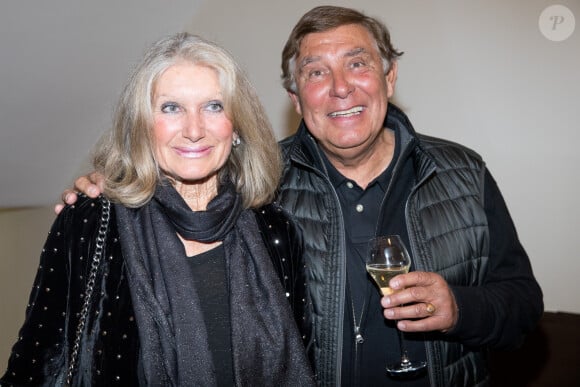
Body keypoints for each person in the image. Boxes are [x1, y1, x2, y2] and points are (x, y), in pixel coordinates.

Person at [55, 6, 544, 387]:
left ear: (389, 76)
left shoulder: (463, 172)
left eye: (357, 64)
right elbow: (178, 184)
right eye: (315, 73)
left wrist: (460, 308)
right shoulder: (256, 186)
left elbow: (524, 308)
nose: (339, 88)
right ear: (295, 98)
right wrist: (109, 189)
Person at [1, 32, 315, 386]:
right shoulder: (89, 222)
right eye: (171, 108)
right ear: (142, 126)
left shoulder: (276, 229)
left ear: (237, 125)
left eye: (213, 106)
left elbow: (306, 356)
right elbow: (34, 365)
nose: (194, 130)